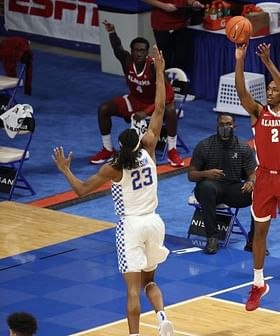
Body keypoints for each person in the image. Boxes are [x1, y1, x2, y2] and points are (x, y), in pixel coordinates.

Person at [53, 46, 174, 336]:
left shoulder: (114, 168)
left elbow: (81, 191)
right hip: (155, 222)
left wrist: (66, 170)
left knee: (132, 290)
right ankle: (161, 317)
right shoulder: (149, 149)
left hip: (131, 226)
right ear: (139, 141)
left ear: (121, 146)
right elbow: (160, 108)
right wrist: (159, 71)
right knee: (150, 283)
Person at [235, 43, 280, 318]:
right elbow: (242, 92)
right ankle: (258, 283)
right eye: (269, 88)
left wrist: (268, 63)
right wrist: (240, 59)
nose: (271, 91)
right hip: (264, 177)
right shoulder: (257, 113)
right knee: (259, 232)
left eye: (274, 89)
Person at [90, 20, 184, 168]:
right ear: (132, 51)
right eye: (136, 50)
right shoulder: (127, 60)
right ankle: (108, 149)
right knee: (104, 108)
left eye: (142, 50)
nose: (139, 53)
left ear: (147, 52)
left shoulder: (153, 66)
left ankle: (172, 150)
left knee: (171, 109)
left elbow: (168, 95)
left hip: (153, 104)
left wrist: (145, 112)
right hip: (135, 100)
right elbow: (117, 47)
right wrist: (112, 32)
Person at [187, 112, 259, 255]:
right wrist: (206, 174)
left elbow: (253, 173)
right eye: (222, 125)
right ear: (217, 126)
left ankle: (254, 240)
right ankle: (212, 237)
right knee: (206, 187)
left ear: (235, 127)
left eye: (229, 124)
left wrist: (251, 182)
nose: (225, 127)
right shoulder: (205, 146)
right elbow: (191, 175)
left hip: (233, 188)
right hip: (211, 187)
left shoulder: (243, 148)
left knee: (260, 192)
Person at [141, 0, 204, 72]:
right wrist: (164, 6)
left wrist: (193, 3)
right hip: (162, 24)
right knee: (164, 60)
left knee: (181, 60)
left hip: (181, 24)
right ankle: (163, 82)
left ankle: (178, 82)